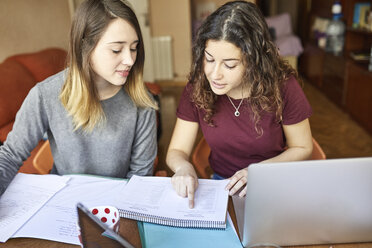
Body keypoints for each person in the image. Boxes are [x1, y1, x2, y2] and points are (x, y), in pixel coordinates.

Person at [0, 0, 158, 196]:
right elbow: (10, 156)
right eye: (117, 50)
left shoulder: (142, 102)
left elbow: (139, 178)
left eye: (134, 48)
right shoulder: (45, 95)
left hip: (117, 204)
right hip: (63, 203)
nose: (130, 60)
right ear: (85, 47)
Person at [166, 1, 313, 208]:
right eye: (209, 59)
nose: (214, 74)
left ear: (254, 61)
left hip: (272, 182)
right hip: (223, 185)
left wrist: (256, 172)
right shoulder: (198, 86)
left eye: (229, 64)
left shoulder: (284, 87)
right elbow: (177, 150)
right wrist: (182, 167)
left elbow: (303, 146)